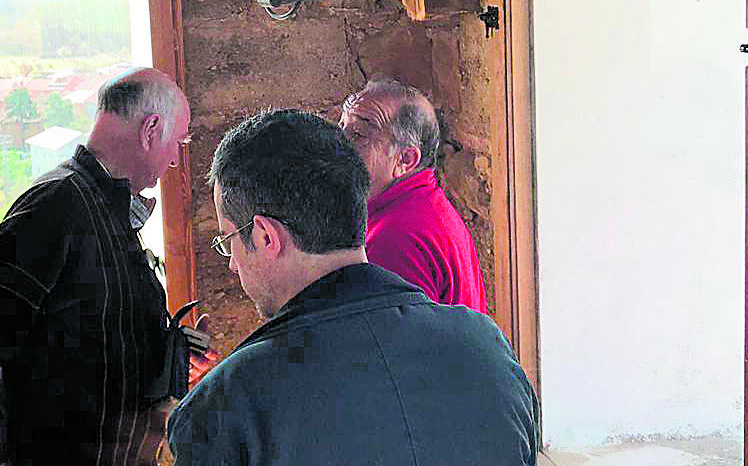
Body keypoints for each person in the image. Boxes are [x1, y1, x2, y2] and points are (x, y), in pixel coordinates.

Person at [168, 109, 538, 466]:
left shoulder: (228, 405)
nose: (232, 264)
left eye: (228, 240)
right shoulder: (487, 348)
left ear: (266, 236)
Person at [0, 67, 215, 466]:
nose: (174, 159)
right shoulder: (58, 205)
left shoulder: (109, 209)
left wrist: (171, 355)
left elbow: (84, 340)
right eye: (178, 141)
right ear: (151, 129)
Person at [339, 78, 489, 312]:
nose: (338, 142)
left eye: (358, 134)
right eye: (341, 126)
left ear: (405, 159)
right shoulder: (420, 203)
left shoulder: (397, 237)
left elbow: (388, 345)